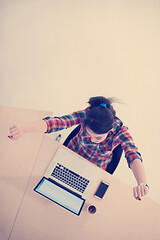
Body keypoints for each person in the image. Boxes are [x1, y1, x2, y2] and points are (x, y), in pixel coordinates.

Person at [8, 96, 149, 200]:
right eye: (88, 134)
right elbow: (56, 122)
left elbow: (133, 155)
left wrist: (142, 183)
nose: (93, 140)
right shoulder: (86, 115)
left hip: (93, 169)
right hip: (69, 157)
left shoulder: (120, 131)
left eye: (98, 138)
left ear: (110, 129)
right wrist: (23, 129)